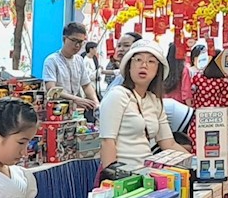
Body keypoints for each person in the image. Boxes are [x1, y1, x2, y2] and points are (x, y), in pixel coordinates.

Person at [98, 40, 188, 171]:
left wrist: (196, 162)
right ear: (129, 66)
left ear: (158, 70)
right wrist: (114, 177)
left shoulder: (155, 100)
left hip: (146, 175)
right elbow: (107, 142)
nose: (144, 65)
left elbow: (168, 143)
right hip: (123, 177)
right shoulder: (117, 95)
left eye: (151, 61)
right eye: (138, 60)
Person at [42, 23, 100, 114]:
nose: (77, 45)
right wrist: (76, 99)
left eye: (81, 42)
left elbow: (86, 85)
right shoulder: (52, 60)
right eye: (74, 40)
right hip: (55, 111)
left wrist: (96, 103)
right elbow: (51, 89)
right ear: (64, 39)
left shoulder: (79, 60)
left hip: (74, 111)